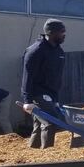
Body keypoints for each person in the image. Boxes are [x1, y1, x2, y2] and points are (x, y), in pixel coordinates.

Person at [21, 19, 67, 148]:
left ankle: (34, 152)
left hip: (50, 94)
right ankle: (47, 154)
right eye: (61, 32)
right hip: (37, 93)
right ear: (51, 32)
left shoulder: (59, 51)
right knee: (50, 121)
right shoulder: (36, 51)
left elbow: (56, 78)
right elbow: (27, 76)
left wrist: (56, 99)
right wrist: (27, 100)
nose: (64, 34)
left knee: (38, 123)